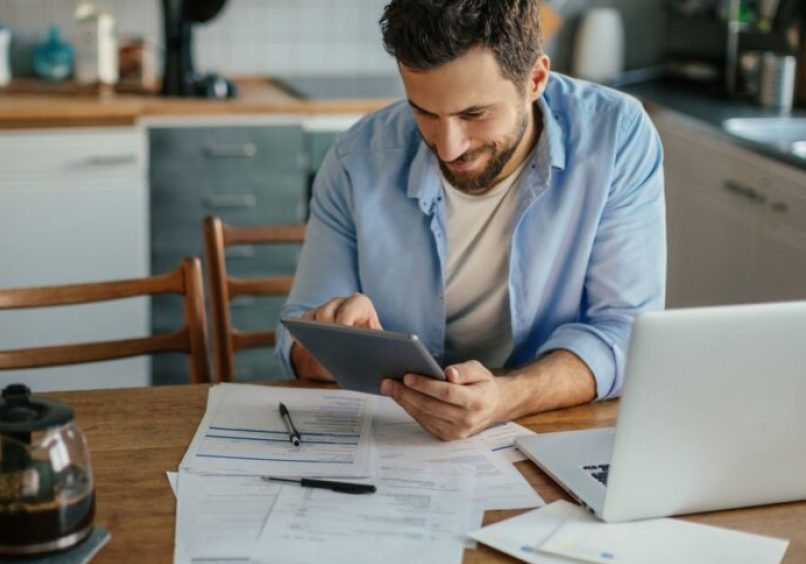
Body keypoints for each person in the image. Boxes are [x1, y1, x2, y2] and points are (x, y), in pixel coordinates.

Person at [275, 0, 665, 441]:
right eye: (423, 111)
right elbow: (296, 342)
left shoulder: (617, 138)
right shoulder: (356, 160)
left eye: (473, 114)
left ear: (535, 79)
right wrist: (335, 339)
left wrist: (507, 396)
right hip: (397, 437)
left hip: (548, 430)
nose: (447, 147)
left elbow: (627, 335)